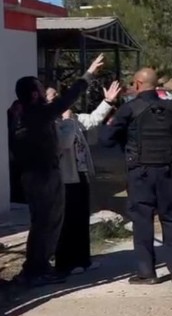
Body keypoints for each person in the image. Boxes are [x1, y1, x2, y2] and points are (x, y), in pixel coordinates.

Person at [8, 54, 105, 286]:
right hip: (43, 176)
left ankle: (37, 266)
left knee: (43, 223)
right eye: (41, 90)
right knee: (48, 223)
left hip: (33, 175)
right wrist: (89, 72)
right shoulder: (37, 114)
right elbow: (69, 99)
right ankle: (36, 269)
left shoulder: (20, 115)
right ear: (34, 94)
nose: (45, 93)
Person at [100, 68, 172, 284]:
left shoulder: (129, 109)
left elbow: (106, 139)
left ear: (139, 83)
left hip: (140, 173)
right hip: (168, 171)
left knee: (142, 221)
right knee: (171, 219)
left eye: (133, 83)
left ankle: (147, 272)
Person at [48, 81, 122, 276]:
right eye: (53, 98)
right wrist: (67, 121)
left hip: (80, 175)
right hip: (65, 178)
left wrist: (107, 101)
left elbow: (92, 120)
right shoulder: (52, 123)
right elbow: (63, 144)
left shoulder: (71, 119)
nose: (58, 100)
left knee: (81, 218)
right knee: (67, 222)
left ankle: (83, 260)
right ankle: (65, 262)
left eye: (58, 96)